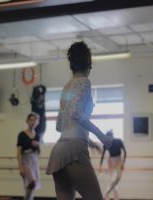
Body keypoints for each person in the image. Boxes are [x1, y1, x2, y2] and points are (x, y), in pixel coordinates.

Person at [46, 41, 112, 200]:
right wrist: (101, 136)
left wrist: (89, 140)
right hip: (74, 152)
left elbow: (61, 124)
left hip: (59, 151)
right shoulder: (83, 81)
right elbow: (76, 113)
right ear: (89, 64)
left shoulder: (66, 87)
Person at [17, 113, 41, 200]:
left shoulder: (37, 135)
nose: (33, 122)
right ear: (27, 121)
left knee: (31, 186)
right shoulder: (22, 134)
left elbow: (38, 152)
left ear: (37, 122)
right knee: (32, 182)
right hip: (25, 160)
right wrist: (20, 167)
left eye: (35, 120)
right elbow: (18, 152)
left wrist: (37, 145)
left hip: (34, 160)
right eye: (31, 120)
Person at [99, 130, 126, 200]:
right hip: (110, 161)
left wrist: (123, 163)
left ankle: (107, 194)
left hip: (119, 160)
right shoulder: (107, 143)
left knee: (117, 179)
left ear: (111, 136)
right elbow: (102, 155)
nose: (108, 139)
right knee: (113, 180)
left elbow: (125, 152)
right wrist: (100, 166)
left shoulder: (119, 141)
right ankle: (114, 197)